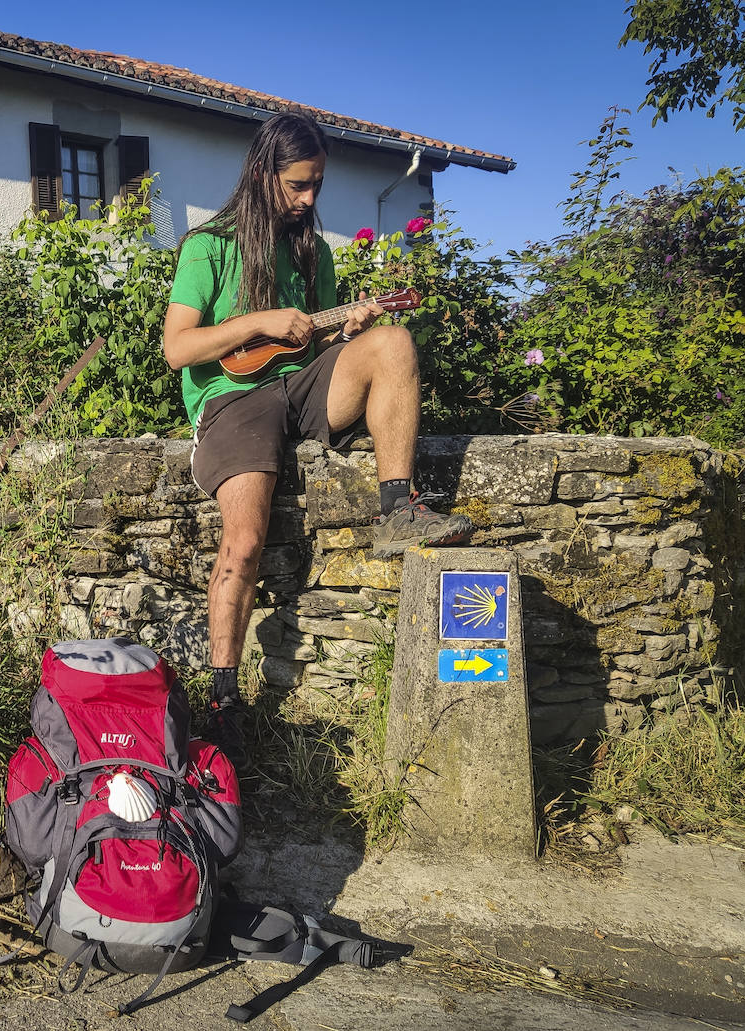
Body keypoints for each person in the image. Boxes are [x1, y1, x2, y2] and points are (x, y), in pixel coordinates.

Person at [162, 112, 473, 769]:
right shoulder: (209, 244)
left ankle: (398, 508)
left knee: (391, 341)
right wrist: (258, 319)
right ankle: (223, 700)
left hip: (300, 389)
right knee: (243, 540)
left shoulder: (314, 251)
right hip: (230, 402)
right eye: (299, 185)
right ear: (264, 172)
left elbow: (308, 345)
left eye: (317, 186)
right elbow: (178, 347)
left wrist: (346, 326)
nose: (309, 199)